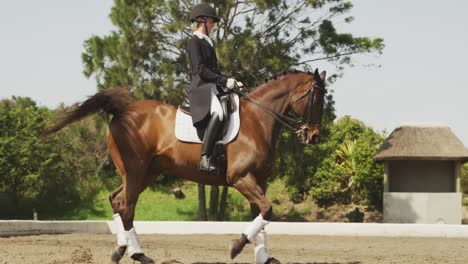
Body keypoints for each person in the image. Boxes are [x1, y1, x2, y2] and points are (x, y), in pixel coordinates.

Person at [184, 3, 242, 172]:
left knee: (231, 104)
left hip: (212, 87)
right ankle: (205, 158)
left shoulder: (207, 42)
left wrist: (231, 82)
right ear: (202, 21)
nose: (214, 25)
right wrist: (224, 81)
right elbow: (201, 70)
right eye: (212, 21)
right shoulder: (194, 41)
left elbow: (214, 71)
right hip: (201, 88)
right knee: (219, 112)